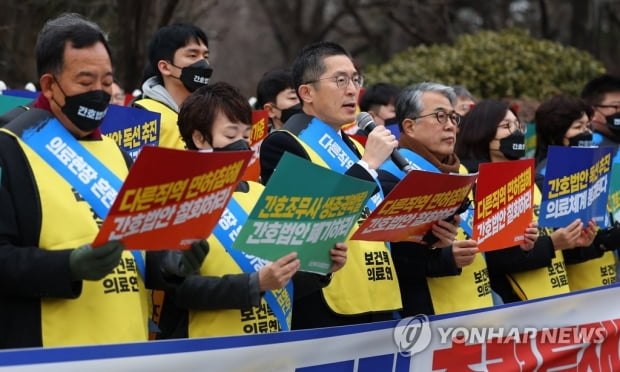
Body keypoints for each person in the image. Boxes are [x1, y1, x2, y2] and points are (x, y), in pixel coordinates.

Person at [0, 13, 207, 349]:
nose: (99, 93)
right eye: (85, 82)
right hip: (48, 353)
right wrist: (67, 267)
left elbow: (142, 248)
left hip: (129, 348)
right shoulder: (9, 146)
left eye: (107, 81)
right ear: (49, 85)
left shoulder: (117, 153)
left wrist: (172, 263)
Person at [151, 81, 347, 338]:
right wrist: (254, 284)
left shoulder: (261, 194)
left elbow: (282, 282)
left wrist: (321, 269)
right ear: (199, 138)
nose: (242, 146)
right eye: (231, 136)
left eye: (246, 136)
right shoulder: (172, 201)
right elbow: (178, 291)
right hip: (206, 352)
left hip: (272, 348)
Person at [260, 41, 402, 329]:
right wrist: (367, 166)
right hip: (327, 307)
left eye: (355, 79)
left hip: (380, 297)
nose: (352, 90)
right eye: (340, 80)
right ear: (307, 92)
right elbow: (309, 228)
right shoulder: (285, 143)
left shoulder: (353, 145)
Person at [456, 100, 596, 303]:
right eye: (506, 127)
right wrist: (551, 244)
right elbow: (496, 258)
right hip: (510, 308)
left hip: (554, 301)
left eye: (517, 126)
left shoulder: (533, 180)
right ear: (481, 132)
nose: (516, 133)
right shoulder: (473, 184)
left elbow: (555, 250)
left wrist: (574, 244)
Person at [378, 82, 498, 316]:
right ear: (410, 126)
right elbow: (389, 260)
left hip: (479, 309)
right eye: (440, 117)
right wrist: (445, 257)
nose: (450, 126)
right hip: (425, 321)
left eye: (454, 118)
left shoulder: (462, 172)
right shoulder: (390, 177)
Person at [534, 94, 616, 290]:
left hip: (607, 279)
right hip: (576, 288)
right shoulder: (544, 175)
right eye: (578, 127)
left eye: (588, 126)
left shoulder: (598, 168)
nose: (587, 133)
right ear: (557, 134)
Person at [133, 23, 212, 149]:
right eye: (193, 55)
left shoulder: (213, 114)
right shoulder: (142, 115)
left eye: (205, 56)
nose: (203, 63)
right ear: (165, 67)